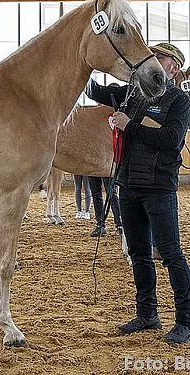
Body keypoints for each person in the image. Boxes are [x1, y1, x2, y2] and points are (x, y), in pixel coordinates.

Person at [86, 42, 190, 344]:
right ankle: (148, 314)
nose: (153, 60)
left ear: (173, 67)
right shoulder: (133, 92)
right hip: (128, 185)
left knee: (171, 254)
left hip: (159, 187)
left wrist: (129, 125)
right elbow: (95, 92)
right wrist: (86, 59)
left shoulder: (179, 100)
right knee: (139, 254)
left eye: (160, 57)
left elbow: (171, 139)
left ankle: (185, 319)